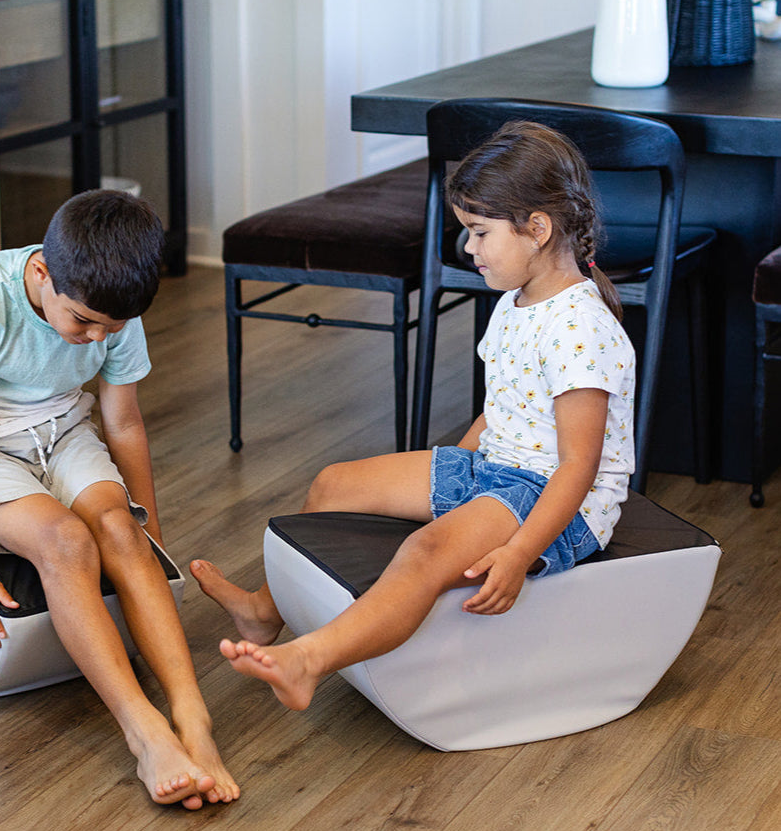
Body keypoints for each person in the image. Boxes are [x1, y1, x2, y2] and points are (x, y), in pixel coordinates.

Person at [191, 120, 636, 713]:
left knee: (424, 556)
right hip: (500, 471)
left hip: (560, 502)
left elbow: (579, 465)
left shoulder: (579, 327)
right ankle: (263, 613)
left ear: (537, 229)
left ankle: (308, 660)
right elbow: (504, 407)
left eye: (479, 233)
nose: (468, 249)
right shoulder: (515, 302)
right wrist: (454, 468)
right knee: (333, 483)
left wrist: (520, 551)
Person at [0, 189, 238, 809]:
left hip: (63, 429)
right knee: (65, 541)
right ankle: (144, 732)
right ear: (40, 273)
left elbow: (125, 424)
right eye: (82, 321)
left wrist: (151, 536)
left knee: (118, 531)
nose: (93, 339)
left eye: (108, 329)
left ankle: (194, 720)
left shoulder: (113, 305)